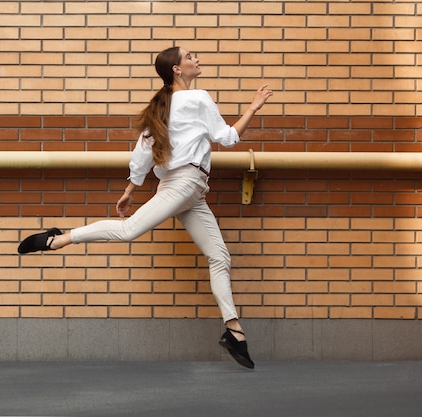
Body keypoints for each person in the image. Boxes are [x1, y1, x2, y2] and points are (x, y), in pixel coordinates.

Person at [18, 46, 273, 369]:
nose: (197, 60)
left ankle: (233, 331)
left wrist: (130, 190)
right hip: (184, 184)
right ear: (177, 70)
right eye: (190, 57)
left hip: (189, 189)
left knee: (220, 256)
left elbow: (142, 153)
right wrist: (254, 106)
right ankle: (57, 239)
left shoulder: (163, 106)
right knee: (128, 230)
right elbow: (228, 138)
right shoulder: (198, 98)